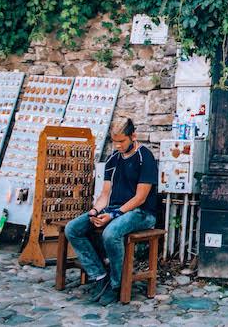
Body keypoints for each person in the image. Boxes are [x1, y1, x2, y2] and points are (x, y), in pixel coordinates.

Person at [64, 117, 159, 305]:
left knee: (110, 234)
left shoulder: (145, 157)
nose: (117, 146)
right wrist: (94, 212)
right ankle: (100, 276)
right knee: (72, 229)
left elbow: (140, 198)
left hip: (141, 213)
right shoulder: (112, 159)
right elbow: (105, 193)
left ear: (133, 136)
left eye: (121, 141)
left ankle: (116, 285)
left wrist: (114, 215)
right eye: (114, 142)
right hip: (114, 209)